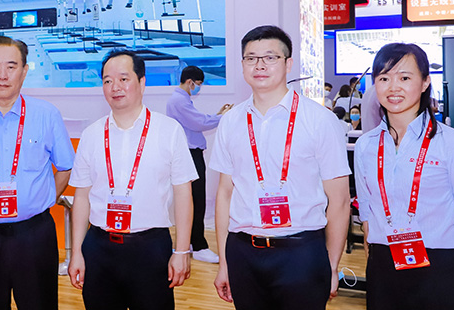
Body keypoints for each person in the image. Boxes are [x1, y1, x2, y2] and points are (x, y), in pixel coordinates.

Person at [211, 25, 350, 310]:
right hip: (243, 252)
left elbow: (339, 201)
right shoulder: (231, 121)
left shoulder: (319, 120)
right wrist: (224, 262)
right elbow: (225, 194)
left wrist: (332, 265)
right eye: (251, 58)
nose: (259, 65)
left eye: (270, 57)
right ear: (242, 65)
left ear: (288, 64)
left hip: (301, 254)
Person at [353, 43, 454, 310]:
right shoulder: (366, 146)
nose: (393, 87)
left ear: (425, 82)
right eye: (384, 79)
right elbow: (367, 217)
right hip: (384, 269)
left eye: (404, 78)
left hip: (442, 269)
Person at [68, 50, 198, 310]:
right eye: (107, 81)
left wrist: (182, 251)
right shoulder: (92, 135)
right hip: (99, 247)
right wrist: (77, 252)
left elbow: (184, 194)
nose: (115, 87)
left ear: (142, 82)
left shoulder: (168, 130)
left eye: (123, 79)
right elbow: (81, 197)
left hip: (150, 248)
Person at [0, 36, 75, 310]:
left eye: (11, 66)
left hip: (34, 235)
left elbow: (66, 167)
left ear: (25, 70)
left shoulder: (46, 114)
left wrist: (43, 198)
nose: (2, 75)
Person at [165, 65, 231, 263]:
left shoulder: (182, 99)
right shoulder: (178, 100)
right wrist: (222, 117)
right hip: (189, 154)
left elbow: (197, 121)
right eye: (198, 84)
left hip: (190, 153)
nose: (198, 88)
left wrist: (218, 115)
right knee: (197, 200)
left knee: (194, 200)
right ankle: (199, 246)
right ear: (190, 82)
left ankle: (193, 242)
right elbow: (199, 122)